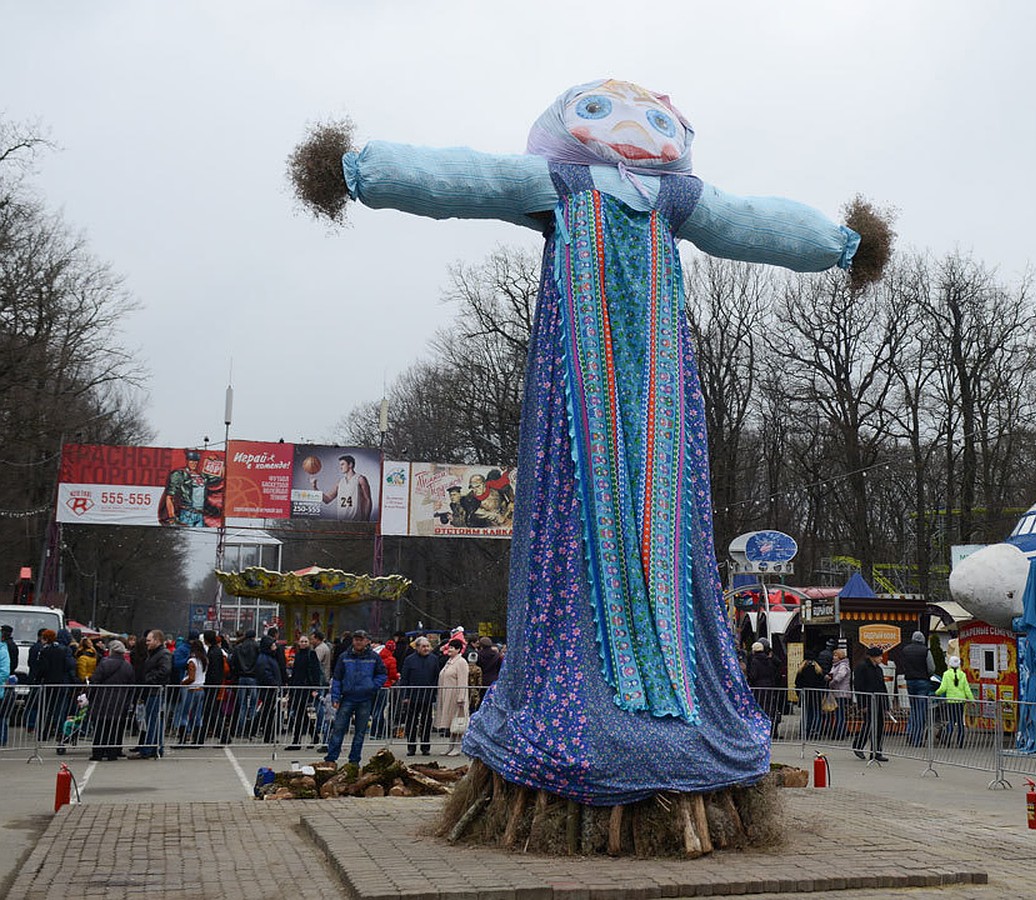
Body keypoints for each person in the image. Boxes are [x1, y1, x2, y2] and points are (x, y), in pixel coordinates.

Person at [302, 77, 873, 803]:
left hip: (660, 393)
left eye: (654, 118)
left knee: (661, 522)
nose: (635, 128)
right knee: (581, 508)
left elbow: (754, 222)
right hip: (581, 387)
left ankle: (662, 682)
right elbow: (464, 176)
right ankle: (596, 695)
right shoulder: (560, 181)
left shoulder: (675, 198)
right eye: (604, 113)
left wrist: (840, 244)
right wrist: (361, 171)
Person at [323, 630, 387, 767]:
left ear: (366, 641)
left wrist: (372, 686)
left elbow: (382, 674)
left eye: (361, 639)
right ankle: (331, 758)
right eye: (356, 639)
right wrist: (335, 696)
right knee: (338, 729)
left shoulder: (374, 657)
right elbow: (337, 678)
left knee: (360, 732)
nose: (358, 642)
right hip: (347, 697)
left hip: (365, 698)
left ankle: (354, 760)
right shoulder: (344, 657)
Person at [88, 640, 134, 761]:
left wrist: (90, 697)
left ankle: (98, 753)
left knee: (100, 728)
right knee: (114, 728)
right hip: (120, 701)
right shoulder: (128, 666)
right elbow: (131, 685)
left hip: (102, 700)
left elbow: (94, 681)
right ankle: (112, 753)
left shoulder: (104, 664)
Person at [131, 629, 171, 759]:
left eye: (149, 640)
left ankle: (149, 749)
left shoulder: (163, 654)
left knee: (153, 721)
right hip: (152, 691)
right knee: (152, 721)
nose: (146, 643)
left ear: (157, 641)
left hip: (156, 691)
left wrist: (149, 679)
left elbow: (165, 670)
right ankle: (154, 748)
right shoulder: (154, 654)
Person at [399, 636, 440, 757]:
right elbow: (404, 678)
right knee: (411, 722)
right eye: (423, 646)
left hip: (427, 696)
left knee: (427, 722)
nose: (426, 648)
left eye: (428, 646)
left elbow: (436, 677)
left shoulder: (434, 659)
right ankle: (411, 747)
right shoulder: (409, 660)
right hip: (412, 696)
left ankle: (425, 747)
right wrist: (405, 695)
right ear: (417, 648)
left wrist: (434, 693)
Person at [162, 450, 222, 527]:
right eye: (191, 461)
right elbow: (170, 496)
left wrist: (216, 462)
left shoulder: (202, 476)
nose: (194, 463)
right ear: (187, 461)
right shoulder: (180, 474)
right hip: (187, 513)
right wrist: (171, 516)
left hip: (200, 514)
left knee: (199, 535)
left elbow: (218, 477)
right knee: (185, 534)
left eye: (196, 461)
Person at [284, 634, 322, 750]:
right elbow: (295, 672)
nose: (304, 643)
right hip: (296, 687)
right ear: (298, 643)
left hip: (305, 688)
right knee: (301, 714)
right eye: (302, 641)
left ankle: (297, 741)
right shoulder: (298, 655)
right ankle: (314, 736)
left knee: (300, 714)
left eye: (306, 641)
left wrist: (315, 688)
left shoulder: (311, 654)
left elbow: (316, 671)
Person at [900, 631, 936, 746]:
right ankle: (917, 739)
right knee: (921, 711)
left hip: (910, 681)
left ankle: (910, 733)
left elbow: (903, 665)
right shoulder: (926, 651)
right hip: (922, 681)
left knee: (914, 709)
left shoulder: (905, 650)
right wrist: (928, 675)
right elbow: (931, 668)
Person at [852, 646, 888, 762]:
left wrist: (886, 705)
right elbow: (858, 686)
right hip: (867, 701)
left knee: (879, 726)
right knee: (868, 725)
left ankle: (876, 752)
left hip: (879, 701)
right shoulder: (862, 667)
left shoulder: (878, 669)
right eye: (879, 656)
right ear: (873, 657)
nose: (881, 659)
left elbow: (883, 687)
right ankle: (858, 745)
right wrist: (861, 705)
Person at [312, 454, 373, 521]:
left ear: (350, 465)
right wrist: (315, 487)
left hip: (356, 521)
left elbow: (367, 500)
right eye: (340, 465)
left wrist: (366, 521)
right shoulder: (340, 482)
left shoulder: (360, 479)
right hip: (342, 522)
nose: (340, 467)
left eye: (342, 464)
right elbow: (327, 499)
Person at [435, 640, 470, 755]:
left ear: (458, 650)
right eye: (449, 647)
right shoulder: (450, 661)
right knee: (451, 722)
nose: (449, 650)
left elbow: (463, 681)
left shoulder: (461, 662)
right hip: (446, 696)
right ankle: (450, 746)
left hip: (456, 697)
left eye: (452, 648)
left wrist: (461, 697)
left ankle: (458, 746)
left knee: (457, 722)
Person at [934, 655, 975, 748]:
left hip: (951, 701)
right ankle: (960, 742)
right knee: (960, 721)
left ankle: (947, 740)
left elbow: (943, 688)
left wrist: (936, 693)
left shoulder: (946, 674)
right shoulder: (962, 675)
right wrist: (972, 699)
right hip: (961, 701)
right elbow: (967, 689)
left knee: (951, 721)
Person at [174, 638, 207, 746]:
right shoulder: (205, 660)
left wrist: (183, 682)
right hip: (201, 688)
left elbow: (191, 678)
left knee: (185, 714)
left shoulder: (192, 661)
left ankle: (182, 739)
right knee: (197, 715)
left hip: (192, 689)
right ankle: (197, 739)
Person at [746, 641, 782, 739]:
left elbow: (753, 675)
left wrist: (749, 680)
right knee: (769, 710)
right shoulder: (768, 660)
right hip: (769, 687)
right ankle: (771, 730)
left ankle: (760, 730)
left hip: (758, 688)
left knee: (759, 710)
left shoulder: (754, 661)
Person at [252, 636, 283, 744]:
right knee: (268, 712)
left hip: (270, 688)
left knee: (268, 712)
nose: (275, 647)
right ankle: (266, 734)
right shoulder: (264, 658)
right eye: (273, 645)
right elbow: (265, 674)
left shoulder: (268, 657)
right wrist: (274, 683)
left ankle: (267, 734)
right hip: (268, 689)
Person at [794, 655, 826, 740]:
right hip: (816, 695)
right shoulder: (818, 669)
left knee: (806, 714)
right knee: (817, 714)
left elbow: (797, 683)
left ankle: (804, 732)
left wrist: (799, 694)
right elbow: (822, 683)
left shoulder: (802, 669)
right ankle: (815, 731)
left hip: (806, 695)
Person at [826, 647, 852, 740]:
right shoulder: (836, 665)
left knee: (840, 714)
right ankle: (838, 732)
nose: (833, 657)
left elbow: (841, 675)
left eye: (835, 655)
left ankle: (840, 733)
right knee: (838, 713)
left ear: (840, 656)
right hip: (836, 692)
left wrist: (832, 682)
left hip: (841, 692)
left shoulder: (843, 665)